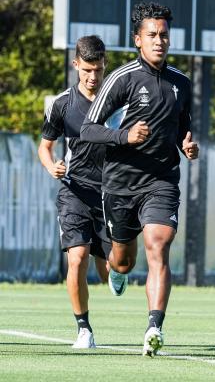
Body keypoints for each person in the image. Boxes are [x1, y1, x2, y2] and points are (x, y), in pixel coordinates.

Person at [80, 2, 199, 357]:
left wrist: (188, 144)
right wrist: (125, 137)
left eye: (164, 35)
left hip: (162, 180)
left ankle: (154, 326)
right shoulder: (122, 78)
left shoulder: (181, 82)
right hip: (119, 183)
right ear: (138, 40)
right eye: (152, 35)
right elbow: (88, 129)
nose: (159, 41)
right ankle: (117, 270)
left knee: (159, 245)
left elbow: (183, 127)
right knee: (123, 260)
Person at [38, 35, 110, 349]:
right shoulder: (61, 104)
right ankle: (84, 329)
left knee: (111, 272)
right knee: (76, 259)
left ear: (105, 65)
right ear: (76, 64)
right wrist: (51, 165)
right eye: (87, 70)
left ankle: (116, 268)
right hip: (74, 192)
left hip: (111, 195)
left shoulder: (119, 98)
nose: (93, 76)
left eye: (99, 69)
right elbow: (45, 147)